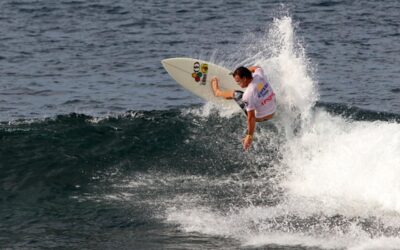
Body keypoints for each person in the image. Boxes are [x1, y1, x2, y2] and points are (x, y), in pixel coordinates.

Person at [211, 66, 276, 150]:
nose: (237, 83)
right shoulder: (259, 75)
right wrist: (243, 72)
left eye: (238, 81)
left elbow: (251, 117)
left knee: (236, 94)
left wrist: (249, 136)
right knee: (258, 93)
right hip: (273, 110)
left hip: (260, 117)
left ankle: (217, 92)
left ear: (245, 78)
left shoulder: (248, 94)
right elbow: (256, 67)